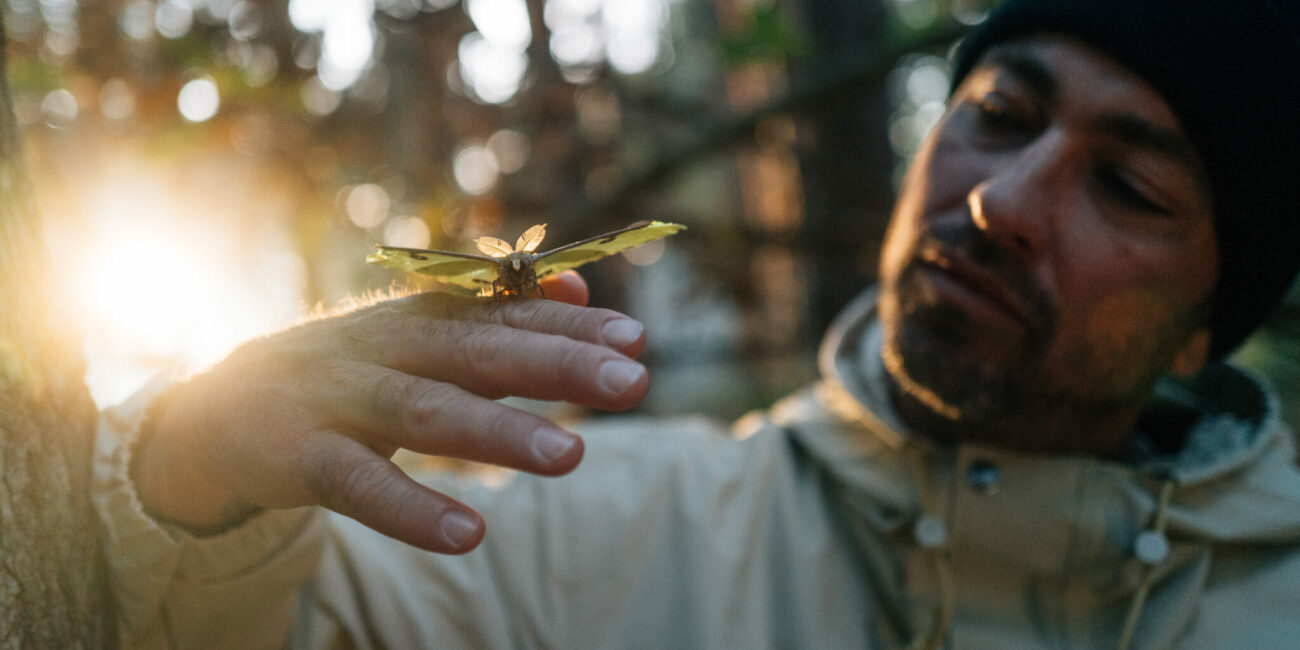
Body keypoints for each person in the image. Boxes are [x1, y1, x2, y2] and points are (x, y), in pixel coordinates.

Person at [92, 0, 1300, 647]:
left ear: (1205, 326)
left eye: (1128, 188)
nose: (1000, 202)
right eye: (995, 109)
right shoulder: (600, 533)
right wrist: (195, 467)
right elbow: (236, 618)